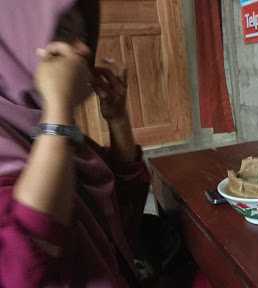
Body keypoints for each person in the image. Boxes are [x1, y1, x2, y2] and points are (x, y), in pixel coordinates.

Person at [0, 0, 153, 286]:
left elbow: (122, 208)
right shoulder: (35, 131)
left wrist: (118, 119)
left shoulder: (44, 127)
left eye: (83, 35)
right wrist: (59, 109)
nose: (83, 49)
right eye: (62, 31)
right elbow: (21, 271)